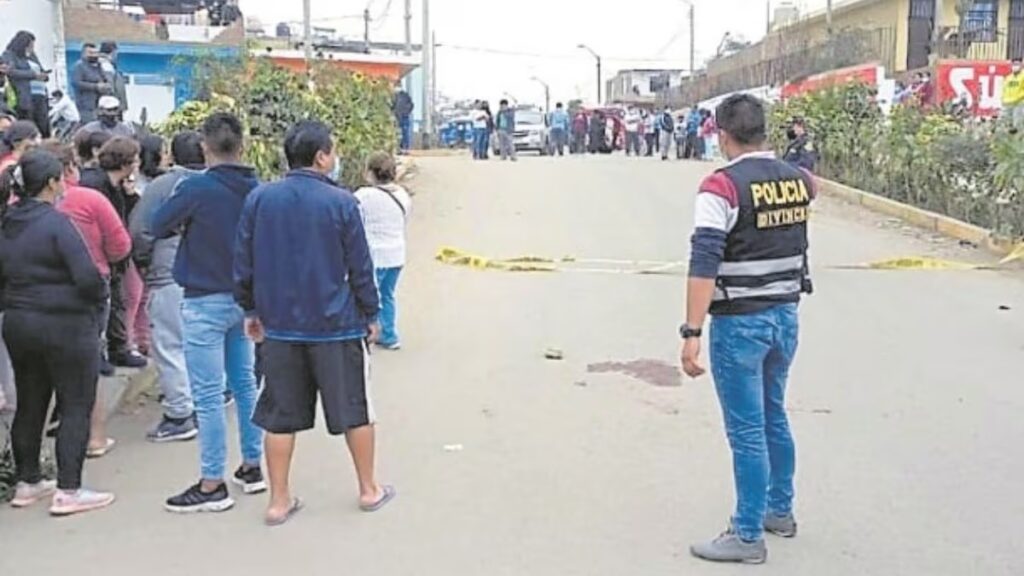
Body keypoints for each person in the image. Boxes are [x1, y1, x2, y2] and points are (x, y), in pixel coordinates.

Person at [234, 120, 392, 526]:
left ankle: (278, 501)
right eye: (333, 150)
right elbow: (360, 266)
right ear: (322, 157)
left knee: (277, 415)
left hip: (279, 326)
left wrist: (250, 309)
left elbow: (244, 261)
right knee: (355, 409)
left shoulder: (260, 198)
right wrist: (371, 313)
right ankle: (369, 489)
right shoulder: (341, 202)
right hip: (336, 325)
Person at [680, 94, 814, 564]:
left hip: (740, 323)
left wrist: (691, 331)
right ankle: (780, 510)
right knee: (774, 414)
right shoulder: (798, 180)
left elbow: (704, 261)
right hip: (785, 317)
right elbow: (811, 194)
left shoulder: (722, 187)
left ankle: (747, 534)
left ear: (722, 135)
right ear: (764, 131)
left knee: (747, 430)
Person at [153, 112, 265, 513]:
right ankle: (253, 466)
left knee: (208, 394)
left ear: (204, 147)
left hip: (203, 298)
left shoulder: (196, 188)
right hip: (245, 300)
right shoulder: (258, 190)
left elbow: (157, 224)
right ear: (243, 146)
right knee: (245, 384)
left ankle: (212, 482)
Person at [0, 148, 114, 515]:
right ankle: (69, 489)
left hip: (19, 322)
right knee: (75, 402)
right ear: (51, 183)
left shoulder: (7, 222)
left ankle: (27, 482)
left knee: (30, 401)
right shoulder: (57, 224)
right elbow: (88, 278)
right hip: (65, 323)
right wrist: (98, 302)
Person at [43, 140, 131, 460]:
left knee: (40, 367)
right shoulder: (89, 199)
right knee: (88, 363)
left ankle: (43, 441)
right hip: (89, 287)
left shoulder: (19, 205)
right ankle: (95, 437)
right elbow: (121, 244)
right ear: (68, 168)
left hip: (35, 293)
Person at [129, 132, 204, 443]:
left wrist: (145, 264)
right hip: (211, 276)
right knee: (200, 343)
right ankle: (201, 400)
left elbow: (140, 230)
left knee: (170, 344)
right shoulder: (218, 183)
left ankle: (180, 414)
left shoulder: (165, 185)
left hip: (170, 272)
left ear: (172, 156)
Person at [79, 136, 146, 373]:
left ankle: (119, 347)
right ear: (126, 163)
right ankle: (99, 353)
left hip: (113, 252)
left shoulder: (115, 186)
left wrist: (130, 194)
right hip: (97, 252)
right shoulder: (95, 185)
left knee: (119, 299)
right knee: (101, 306)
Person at [354, 152, 411, 350]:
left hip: (374, 255)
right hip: (396, 254)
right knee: (387, 295)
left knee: (367, 298)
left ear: (370, 173)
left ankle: (364, 335)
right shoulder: (402, 195)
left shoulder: (363, 196)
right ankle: (389, 335)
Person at [2, 31, 51, 138]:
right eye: (29, 46)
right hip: (25, 96)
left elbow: (40, 70)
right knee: (29, 126)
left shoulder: (32, 56)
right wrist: (33, 75)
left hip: (40, 95)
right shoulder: (9, 55)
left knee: (43, 125)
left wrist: (44, 76)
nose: (31, 48)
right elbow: (11, 72)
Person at [71, 43, 111, 124]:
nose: (94, 55)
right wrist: (95, 87)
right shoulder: (79, 66)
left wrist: (106, 85)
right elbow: (76, 83)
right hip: (85, 105)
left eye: (96, 53)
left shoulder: (99, 67)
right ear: (83, 54)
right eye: (91, 53)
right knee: (89, 126)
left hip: (100, 105)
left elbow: (105, 79)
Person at [98, 42, 128, 115]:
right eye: (116, 53)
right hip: (112, 107)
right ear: (112, 52)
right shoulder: (106, 66)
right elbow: (110, 88)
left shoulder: (109, 66)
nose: (116, 56)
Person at [1003, 58, 1024, 131]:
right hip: (1008, 103)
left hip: (1018, 103)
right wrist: (1003, 100)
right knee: (1007, 124)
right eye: (1014, 64)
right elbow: (1004, 90)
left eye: (1017, 64)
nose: (1015, 66)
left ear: (1021, 65)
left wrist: (1019, 97)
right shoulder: (1008, 78)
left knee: (1017, 124)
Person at [393, 87, 414, 154]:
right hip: (397, 117)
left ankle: (405, 148)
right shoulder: (394, 96)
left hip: (404, 117)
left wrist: (406, 112)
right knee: (398, 133)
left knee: (405, 133)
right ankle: (399, 148)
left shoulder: (405, 95)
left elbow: (411, 105)